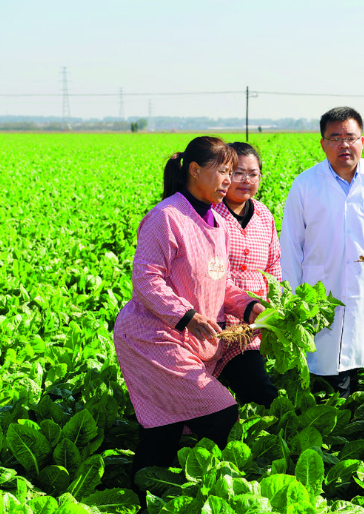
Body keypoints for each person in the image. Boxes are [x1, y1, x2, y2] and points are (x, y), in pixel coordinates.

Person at [113, 136, 265, 482]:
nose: (228, 180)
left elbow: (221, 283)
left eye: (231, 172)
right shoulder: (166, 216)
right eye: (223, 171)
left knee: (165, 428)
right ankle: (202, 484)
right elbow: (146, 279)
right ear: (195, 170)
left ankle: (147, 493)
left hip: (184, 341)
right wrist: (188, 317)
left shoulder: (217, 223)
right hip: (152, 339)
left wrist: (249, 306)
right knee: (221, 414)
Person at [280, 106, 364, 398]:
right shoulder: (305, 184)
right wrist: (292, 297)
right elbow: (291, 245)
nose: (343, 145)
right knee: (321, 374)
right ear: (323, 143)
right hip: (319, 291)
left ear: (362, 140)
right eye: (335, 138)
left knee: (358, 367)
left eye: (350, 137)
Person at [212, 142, 280, 408]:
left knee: (251, 389)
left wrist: (273, 306)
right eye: (238, 173)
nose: (246, 180)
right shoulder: (210, 214)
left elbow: (273, 266)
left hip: (254, 325)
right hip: (217, 323)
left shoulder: (263, 214)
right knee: (259, 392)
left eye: (253, 174)